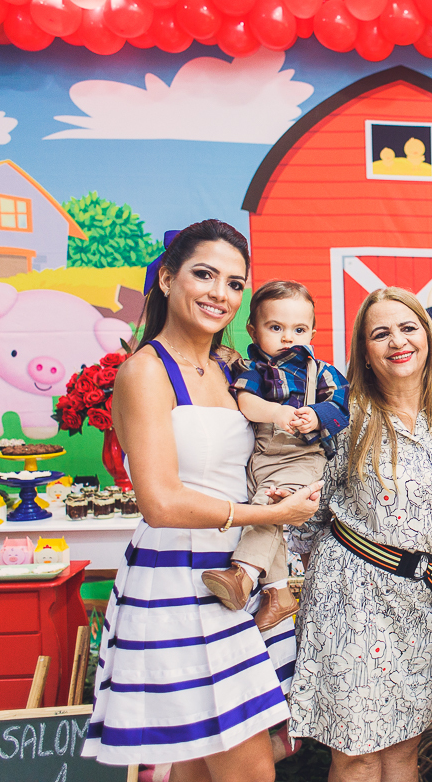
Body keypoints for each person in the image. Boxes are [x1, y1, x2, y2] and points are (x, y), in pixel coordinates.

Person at [82, 220, 323, 782]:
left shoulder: (232, 368)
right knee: (248, 769)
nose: (221, 293)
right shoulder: (144, 373)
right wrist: (273, 515)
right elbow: (161, 502)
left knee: (202, 764)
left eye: (235, 283)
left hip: (238, 573)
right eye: (205, 275)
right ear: (167, 279)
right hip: (180, 578)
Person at [286, 287, 432, 781]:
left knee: (405, 748)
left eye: (408, 328)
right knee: (358, 754)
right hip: (353, 597)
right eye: (381, 333)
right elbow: (307, 515)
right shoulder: (344, 415)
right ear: (365, 351)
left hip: (422, 601)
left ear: (427, 337)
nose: (398, 341)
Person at [202, 280, 349, 630]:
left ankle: (243, 574)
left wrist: (317, 415)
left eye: (299, 330)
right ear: (254, 330)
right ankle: (279, 593)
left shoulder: (321, 371)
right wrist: (276, 412)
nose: (287, 338)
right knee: (267, 513)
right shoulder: (252, 370)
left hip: (302, 458)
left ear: (312, 332)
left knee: (270, 507)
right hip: (260, 457)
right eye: (275, 328)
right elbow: (246, 402)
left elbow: (342, 407)